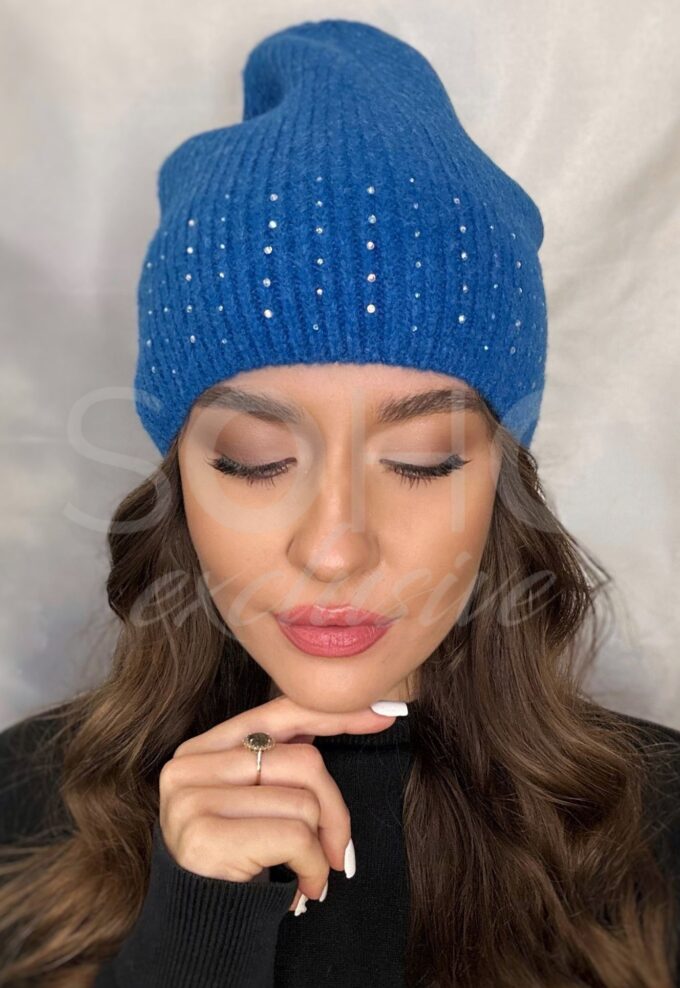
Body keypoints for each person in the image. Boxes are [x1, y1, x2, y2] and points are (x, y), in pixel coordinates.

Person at [0, 16, 679, 988]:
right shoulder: (23, 808)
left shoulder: (657, 824)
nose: (333, 547)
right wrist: (190, 937)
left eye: (421, 461)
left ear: (503, 481)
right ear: (177, 482)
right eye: (254, 460)